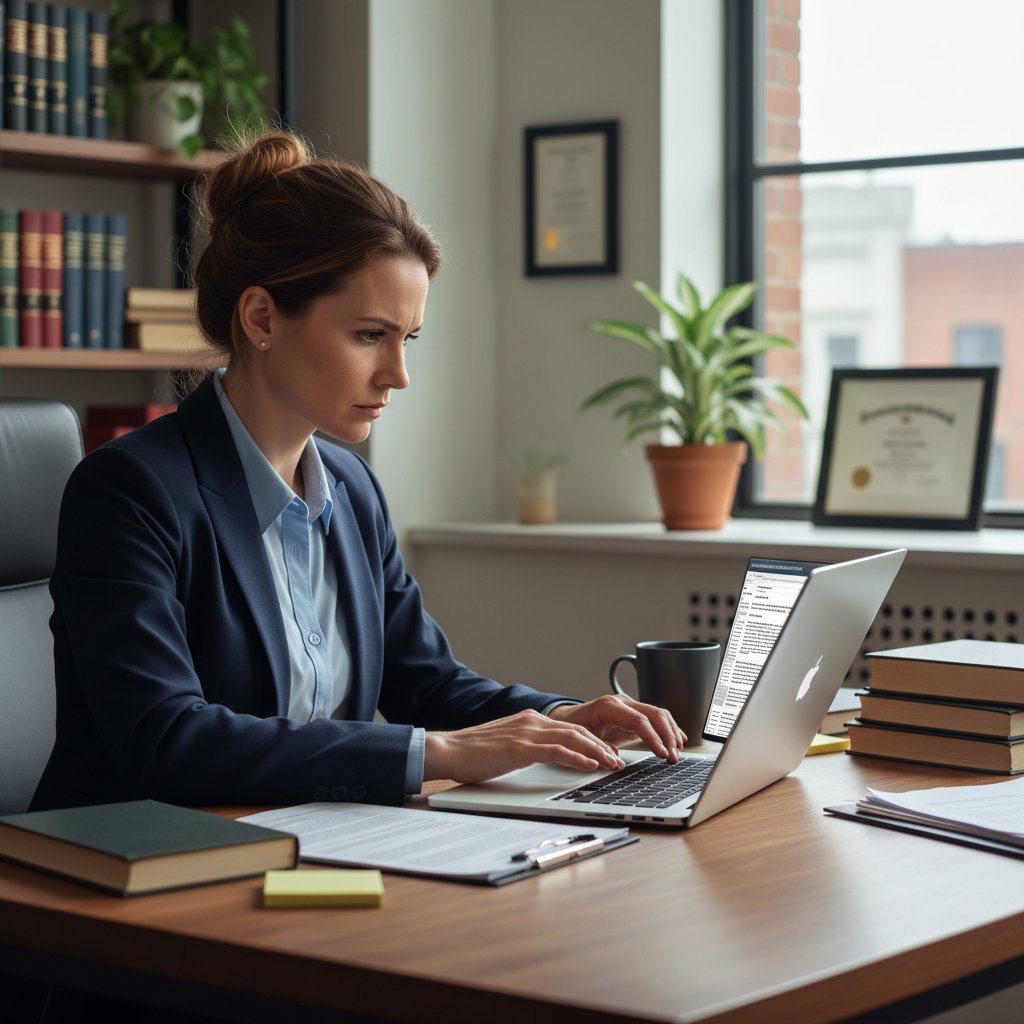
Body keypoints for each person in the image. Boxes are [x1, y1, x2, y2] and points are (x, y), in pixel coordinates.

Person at [30, 131, 684, 814]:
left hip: (307, 842)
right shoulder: (130, 492)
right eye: (370, 335)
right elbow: (167, 740)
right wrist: (438, 753)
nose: (398, 375)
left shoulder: (351, 487)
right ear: (262, 318)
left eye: (409, 339)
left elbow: (426, 684)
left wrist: (563, 719)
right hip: (133, 871)